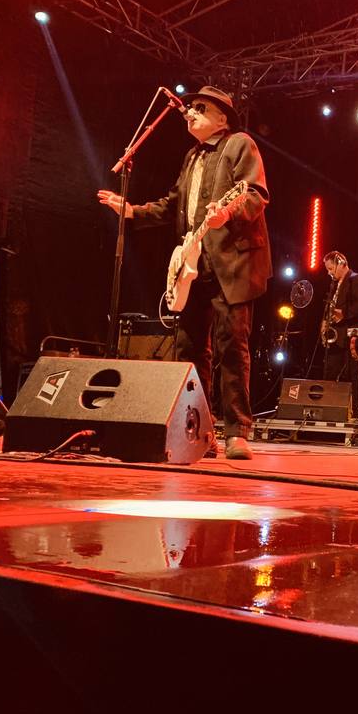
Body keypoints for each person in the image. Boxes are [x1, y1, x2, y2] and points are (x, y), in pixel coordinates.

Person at [98, 86, 270, 461]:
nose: (189, 113)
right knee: (189, 349)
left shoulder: (240, 144)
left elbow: (254, 194)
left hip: (233, 262)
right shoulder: (192, 156)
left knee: (231, 346)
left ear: (221, 118)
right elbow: (173, 204)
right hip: (195, 263)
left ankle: (237, 431)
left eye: (199, 108)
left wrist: (228, 212)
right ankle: (200, 430)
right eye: (189, 108)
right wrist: (132, 211)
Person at [322, 250, 358, 417]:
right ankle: (329, 410)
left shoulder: (356, 279)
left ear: (341, 263)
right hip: (337, 337)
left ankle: (356, 412)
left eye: (331, 268)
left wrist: (344, 313)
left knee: (354, 374)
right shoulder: (336, 285)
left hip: (352, 336)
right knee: (330, 372)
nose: (329, 273)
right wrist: (324, 322)